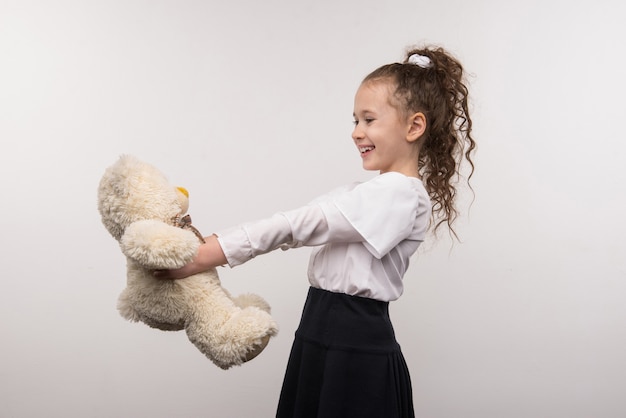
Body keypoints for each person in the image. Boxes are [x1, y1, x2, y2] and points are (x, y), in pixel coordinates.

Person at [155, 45, 476, 418]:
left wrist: (210, 254)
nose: (357, 132)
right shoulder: (362, 193)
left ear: (414, 126)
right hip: (319, 331)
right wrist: (210, 242)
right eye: (355, 121)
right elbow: (302, 220)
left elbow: (298, 224)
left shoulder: (401, 196)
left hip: (353, 344)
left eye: (369, 120)